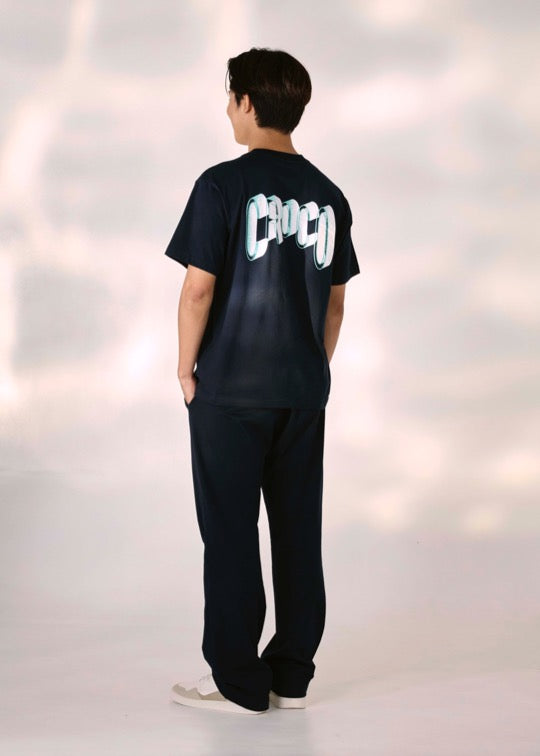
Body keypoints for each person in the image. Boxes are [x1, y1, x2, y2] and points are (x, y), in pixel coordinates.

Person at [165, 47, 360, 715]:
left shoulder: (221, 186)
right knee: (298, 533)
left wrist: (185, 369)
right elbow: (335, 305)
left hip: (229, 392)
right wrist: (313, 367)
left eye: (230, 98)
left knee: (230, 535)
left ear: (248, 102)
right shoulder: (330, 196)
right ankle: (292, 679)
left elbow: (198, 290)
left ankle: (238, 684)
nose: (227, 110)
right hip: (302, 392)